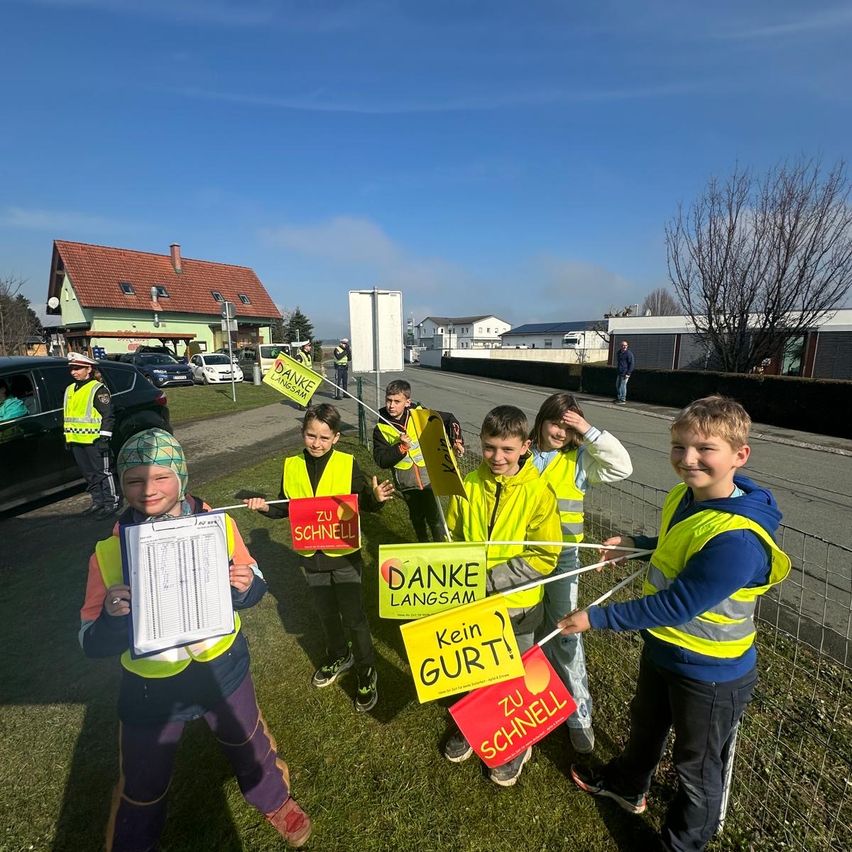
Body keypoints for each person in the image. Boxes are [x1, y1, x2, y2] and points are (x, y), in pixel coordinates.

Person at [560, 395, 790, 852]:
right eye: (679, 447)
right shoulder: (688, 496)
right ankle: (629, 785)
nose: (688, 460)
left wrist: (596, 617)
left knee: (696, 769)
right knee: (644, 724)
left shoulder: (738, 541)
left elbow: (676, 604)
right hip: (665, 650)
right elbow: (674, 549)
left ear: (739, 456)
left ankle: (682, 844)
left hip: (710, 674)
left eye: (705, 449)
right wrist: (636, 543)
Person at [79, 429, 311, 849]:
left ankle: (274, 800)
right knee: (143, 777)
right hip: (150, 689)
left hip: (223, 669)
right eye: (134, 480)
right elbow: (90, 641)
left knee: (247, 742)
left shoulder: (218, 525)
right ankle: (133, 841)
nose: (147, 489)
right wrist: (114, 618)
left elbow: (255, 582)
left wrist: (245, 587)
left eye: (160, 477)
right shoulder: (107, 551)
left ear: (182, 478)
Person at [245, 404, 394, 712]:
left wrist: (375, 500)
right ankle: (341, 655)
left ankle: (366, 669)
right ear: (303, 433)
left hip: (344, 555)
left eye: (324, 438)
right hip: (311, 556)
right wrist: (264, 507)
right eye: (311, 435)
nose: (316, 443)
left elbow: (360, 501)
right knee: (326, 613)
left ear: (336, 438)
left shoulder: (346, 463)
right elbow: (286, 506)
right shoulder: (292, 465)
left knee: (354, 617)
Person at [443, 405, 561, 786]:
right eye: (491, 447)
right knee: (477, 666)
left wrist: (490, 578)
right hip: (473, 601)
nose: (498, 457)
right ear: (481, 443)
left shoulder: (539, 492)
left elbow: (545, 555)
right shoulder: (467, 483)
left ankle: (515, 744)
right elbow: (456, 535)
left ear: (525, 446)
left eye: (507, 449)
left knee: (514, 674)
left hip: (518, 604)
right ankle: (474, 725)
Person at [530, 393, 633, 754]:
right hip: (522, 558)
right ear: (542, 419)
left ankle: (579, 715)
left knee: (566, 630)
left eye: (568, 425)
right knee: (522, 630)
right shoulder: (522, 454)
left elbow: (623, 467)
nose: (560, 431)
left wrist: (586, 430)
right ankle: (523, 704)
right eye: (556, 422)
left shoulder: (579, 460)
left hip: (563, 560)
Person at [371, 379, 464, 542]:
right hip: (407, 484)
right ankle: (423, 546)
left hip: (429, 480)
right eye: (388, 400)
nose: (391, 406)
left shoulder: (420, 415)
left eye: (397, 401)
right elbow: (381, 460)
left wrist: (456, 441)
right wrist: (401, 448)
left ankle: (441, 550)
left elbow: (450, 419)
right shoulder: (381, 427)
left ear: (407, 402)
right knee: (417, 518)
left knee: (435, 519)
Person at [64, 352, 120, 518]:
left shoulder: (98, 389)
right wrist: (68, 437)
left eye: (78, 368)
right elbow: (69, 415)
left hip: (95, 440)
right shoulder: (70, 389)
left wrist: (104, 438)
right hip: (76, 441)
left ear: (88, 369)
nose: (74, 372)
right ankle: (98, 502)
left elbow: (108, 415)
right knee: (89, 475)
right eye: (72, 369)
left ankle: (111, 503)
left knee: (103, 473)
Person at [615, 340, 634, 405]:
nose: (624, 346)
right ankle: (619, 398)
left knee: (622, 386)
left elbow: (631, 364)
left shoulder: (629, 354)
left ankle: (623, 399)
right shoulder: (619, 353)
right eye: (623, 345)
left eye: (625, 345)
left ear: (627, 346)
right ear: (621, 346)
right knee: (617, 385)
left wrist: (628, 373)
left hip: (625, 373)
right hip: (619, 373)